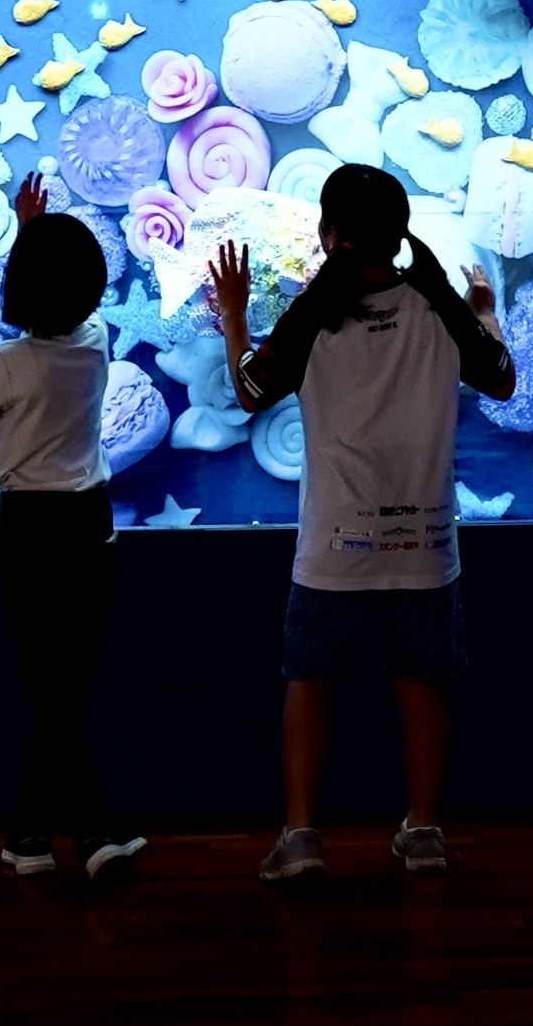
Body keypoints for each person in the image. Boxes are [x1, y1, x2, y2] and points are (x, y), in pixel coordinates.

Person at [211, 163, 514, 882]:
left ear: (329, 234)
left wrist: (233, 313)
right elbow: (502, 377)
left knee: (311, 678)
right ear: (400, 230)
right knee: (423, 679)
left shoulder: (313, 313)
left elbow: (252, 388)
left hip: (333, 542)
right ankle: (424, 830)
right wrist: (485, 308)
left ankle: (302, 834)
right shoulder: (440, 307)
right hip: (426, 538)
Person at [0, 173, 148, 884]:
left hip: (28, 527)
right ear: (92, 288)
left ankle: (57, 834)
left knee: (49, 687)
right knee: (67, 684)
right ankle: (60, 834)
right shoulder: (94, 346)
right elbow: (57, 300)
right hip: (90, 525)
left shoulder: (1, 364)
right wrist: (37, 231)